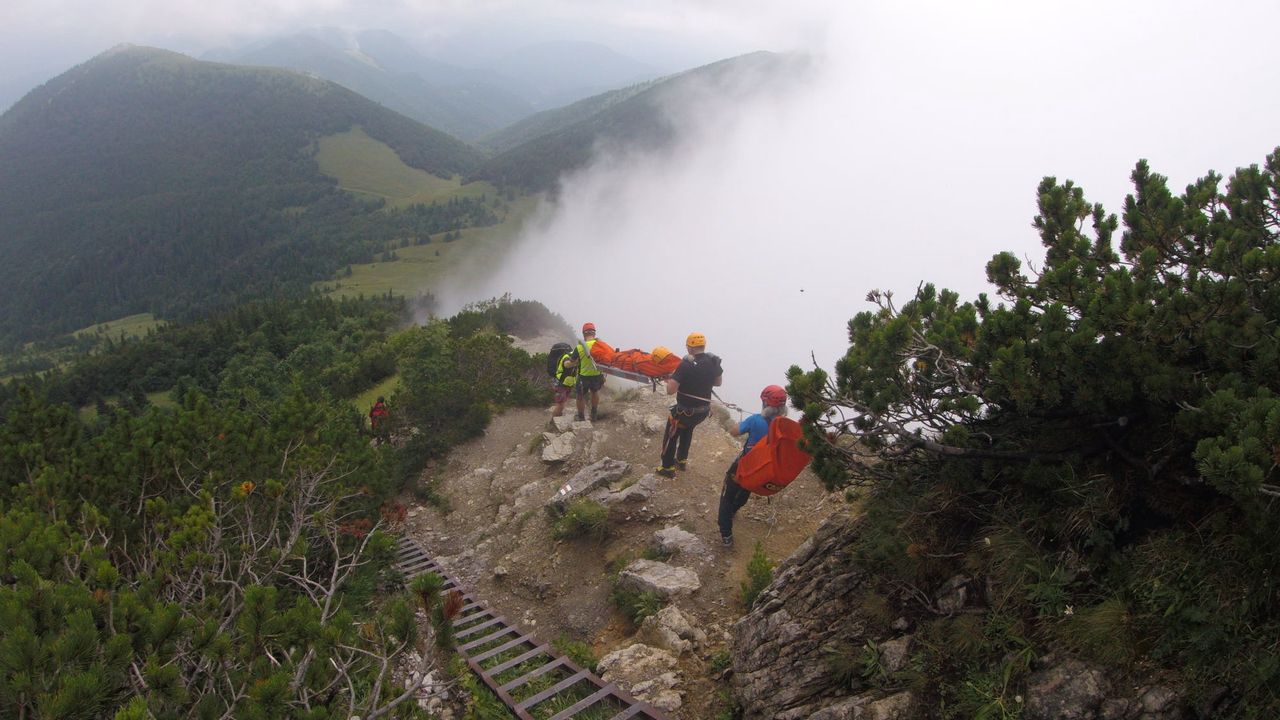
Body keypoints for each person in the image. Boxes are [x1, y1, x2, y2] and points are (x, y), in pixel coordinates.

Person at [717, 385, 788, 546]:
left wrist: (742, 422)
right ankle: (734, 509)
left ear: (765, 403)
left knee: (727, 497)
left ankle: (726, 535)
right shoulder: (783, 425)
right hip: (764, 470)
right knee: (745, 489)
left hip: (745, 465)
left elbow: (733, 432)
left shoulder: (755, 420)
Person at [656, 332, 723, 478]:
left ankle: (667, 467)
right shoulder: (713, 361)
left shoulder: (686, 365)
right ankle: (681, 460)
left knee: (672, 435)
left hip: (685, 412)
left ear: (691, 348)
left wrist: (675, 378)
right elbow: (718, 383)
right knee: (688, 430)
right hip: (702, 412)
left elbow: (670, 391)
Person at [575, 322, 605, 421]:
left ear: (584, 334)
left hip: (584, 376)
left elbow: (572, 361)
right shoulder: (600, 345)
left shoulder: (579, 347)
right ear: (594, 333)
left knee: (580, 396)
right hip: (597, 375)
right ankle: (594, 414)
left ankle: (581, 417)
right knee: (594, 392)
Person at [552, 347, 578, 418]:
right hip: (561, 383)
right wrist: (576, 362)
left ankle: (557, 418)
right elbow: (566, 364)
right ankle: (553, 421)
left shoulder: (573, 357)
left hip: (567, 383)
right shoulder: (567, 357)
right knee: (560, 404)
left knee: (562, 403)